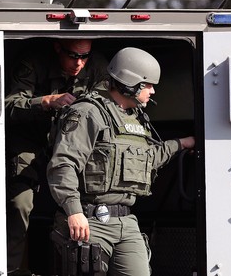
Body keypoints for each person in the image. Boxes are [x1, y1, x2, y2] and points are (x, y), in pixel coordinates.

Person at [47, 47, 195, 276]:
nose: (153, 91)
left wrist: (182, 143)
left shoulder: (136, 119)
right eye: (148, 85)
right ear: (131, 83)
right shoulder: (88, 112)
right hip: (89, 220)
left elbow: (149, 158)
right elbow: (63, 164)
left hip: (127, 222)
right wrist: (73, 211)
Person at [5, 38, 109, 276]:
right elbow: (9, 106)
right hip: (30, 143)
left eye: (85, 57)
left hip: (72, 145)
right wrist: (45, 102)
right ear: (58, 47)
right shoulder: (34, 62)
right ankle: (10, 269)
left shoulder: (98, 66)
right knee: (20, 203)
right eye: (73, 56)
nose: (79, 63)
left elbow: (109, 107)